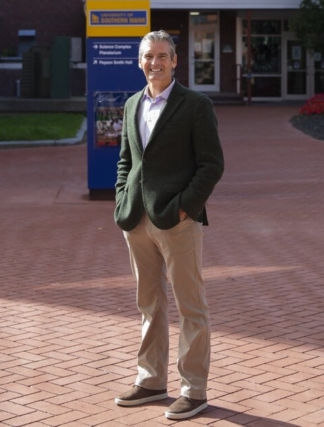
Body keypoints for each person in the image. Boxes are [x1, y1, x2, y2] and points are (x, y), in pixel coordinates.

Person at [113, 30, 225, 420]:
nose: (155, 63)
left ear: (175, 61)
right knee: (149, 304)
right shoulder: (131, 104)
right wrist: (121, 201)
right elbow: (126, 160)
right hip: (136, 220)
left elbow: (212, 164)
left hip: (177, 222)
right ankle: (151, 380)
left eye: (162, 56)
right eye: (148, 56)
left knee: (191, 307)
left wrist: (184, 209)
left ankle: (194, 390)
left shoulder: (195, 105)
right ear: (139, 61)